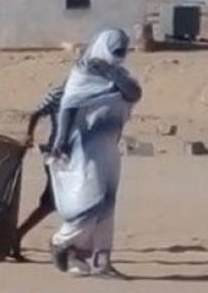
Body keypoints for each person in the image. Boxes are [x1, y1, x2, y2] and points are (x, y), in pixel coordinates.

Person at [48, 28, 142, 278]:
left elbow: (134, 93)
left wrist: (111, 71)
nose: (120, 56)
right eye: (116, 52)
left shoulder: (119, 75)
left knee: (107, 205)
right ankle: (62, 241)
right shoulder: (83, 72)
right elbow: (69, 105)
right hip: (85, 148)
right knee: (91, 202)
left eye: (123, 52)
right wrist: (60, 138)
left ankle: (99, 261)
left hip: (109, 149)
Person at [10, 80, 65, 261]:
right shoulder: (60, 90)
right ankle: (17, 235)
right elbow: (37, 112)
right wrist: (29, 135)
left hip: (77, 156)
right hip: (58, 156)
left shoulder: (92, 89)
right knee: (52, 202)